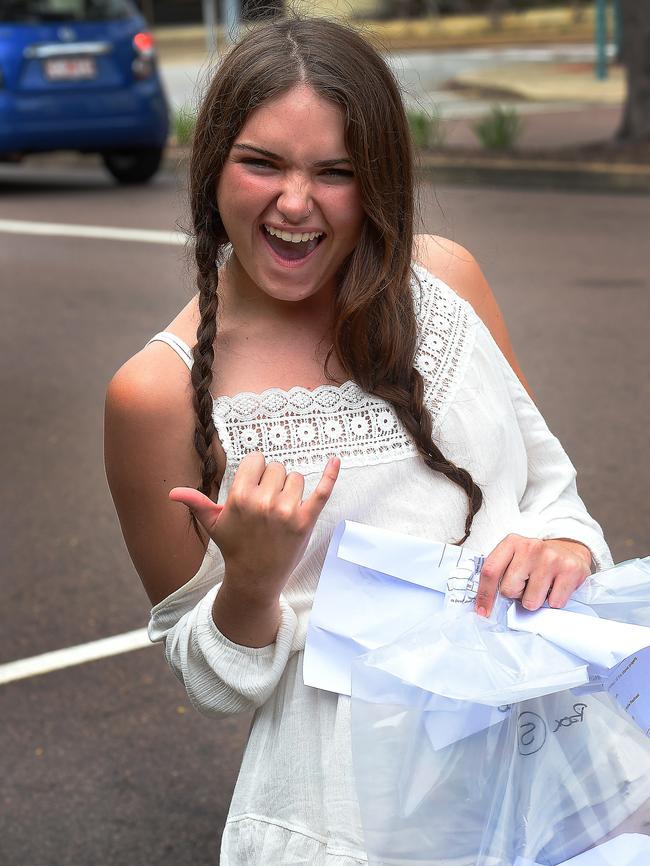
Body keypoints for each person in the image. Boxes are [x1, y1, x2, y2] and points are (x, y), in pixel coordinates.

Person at [104, 17, 616, 865]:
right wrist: (254, 585)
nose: (296, 203)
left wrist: (562, 544)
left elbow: (548, 488)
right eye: (261, 161)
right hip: (350, 823)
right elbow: (212, 678)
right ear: (210, 167)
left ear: (376, 177)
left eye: (335, 172)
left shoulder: (446, 279)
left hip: (549, 764)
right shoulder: (153, 394)